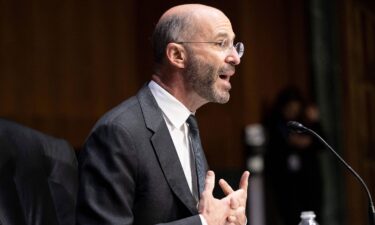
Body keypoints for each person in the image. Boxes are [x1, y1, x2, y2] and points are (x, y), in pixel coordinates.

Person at [76, 4, 250, 225]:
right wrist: (203, 223)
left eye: (235, 45)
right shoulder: (118, 133)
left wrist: (226, 219)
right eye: (221, 43)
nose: (235, 57)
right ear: (177, 55)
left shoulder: (187, 123)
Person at [264, 87, 324, 225]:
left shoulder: (306, 122)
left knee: (313, 216)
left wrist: (315, 122)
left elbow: (322, 144)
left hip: (309, 182)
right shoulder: (274, 123)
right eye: (289, 109)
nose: (292, 113)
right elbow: (271, 153)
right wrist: (289, 143)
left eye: (295, 109)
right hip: (286, 183)